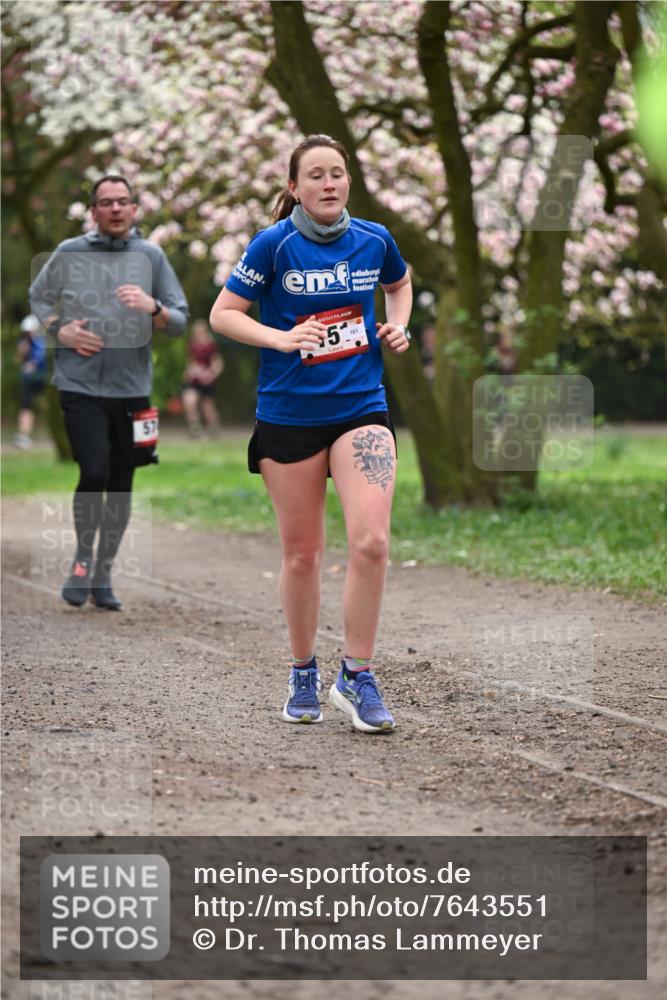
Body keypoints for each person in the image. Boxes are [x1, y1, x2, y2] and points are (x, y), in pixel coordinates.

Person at [210, 134, 412, 733]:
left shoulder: (374, 239)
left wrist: (397, 326)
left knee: (372, 542)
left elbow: (398, 284)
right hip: (289, 416)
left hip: (361, 410)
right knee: (303, 554)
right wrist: (281, 338)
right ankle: (303, 672)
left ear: (349, 181)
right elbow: (223, 314)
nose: (329, 183)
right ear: (294, 187)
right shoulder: (274, 244)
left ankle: (356, 676)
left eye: (338, 173)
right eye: (316, 175)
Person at [30, 174, 189, 610]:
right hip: (78, 384)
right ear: (93, 211)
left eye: (123, 201)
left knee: (121, 481)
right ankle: (83, 559)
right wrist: (59, 329)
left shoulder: (151, 256)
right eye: (106, 202)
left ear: (134, 209)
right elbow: (38, 297)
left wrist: (153, 307)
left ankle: (103, 574)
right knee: (95, 470)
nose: (116, 209)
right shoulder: (69, 253)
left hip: (132, 390)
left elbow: (179, 321)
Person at [181, 320, 224, 437]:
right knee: (189, 401)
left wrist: (210, 375)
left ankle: (214, 428)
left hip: (207, 380)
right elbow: (191, 361)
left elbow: (217, 363)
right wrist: (189, 372)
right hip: (194, 379)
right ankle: (195, 428)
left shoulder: (211, 345)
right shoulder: (192, 344)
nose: (199, 333)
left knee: (207, 407)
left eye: (201, 331)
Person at [14, 314, 48, 450]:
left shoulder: (42, 341)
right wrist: (22, 352)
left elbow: (41, 357)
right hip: (28, 378)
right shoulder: (25, 342)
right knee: (26, 406)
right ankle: (24, 436)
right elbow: (18, 360)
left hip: (42, 377)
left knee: (42, 404)